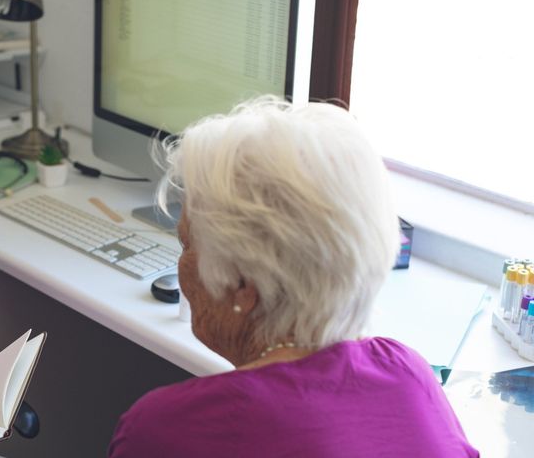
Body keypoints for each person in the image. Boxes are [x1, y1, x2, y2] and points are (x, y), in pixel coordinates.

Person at [108, 96, 478, 457]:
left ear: (241, 285)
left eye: (186, 243)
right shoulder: (408, 373)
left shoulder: (167, 430)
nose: (182, 263)